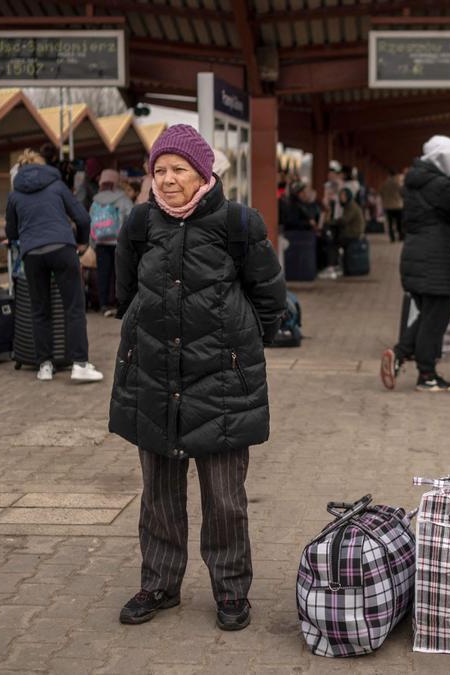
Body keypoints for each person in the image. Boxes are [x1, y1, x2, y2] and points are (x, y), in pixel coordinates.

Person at [110, 124, 286, 632]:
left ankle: (231, 592)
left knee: (225, 499)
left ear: (202, 174)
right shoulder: (140, 224)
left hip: (222, 382)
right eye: (158, 170)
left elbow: (269, 297)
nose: (166, 180)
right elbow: (124, 295)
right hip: (155, 377)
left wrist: (240, 347)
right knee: (159, 495)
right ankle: (159, 584)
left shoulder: (237, 223)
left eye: (177, 170)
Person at [4, 149, 104, 383]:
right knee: (74, 308)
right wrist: (80, 241)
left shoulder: (15, 195)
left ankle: (44, 366)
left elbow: (11, 231)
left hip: (32, 255)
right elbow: (82, 218)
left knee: (40, 310)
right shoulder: (57, 186)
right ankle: (79, 364)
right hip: (61, 249)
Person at [379, 135, 450, 393]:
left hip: (415, 258)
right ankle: (426, 375)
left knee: (427, 316)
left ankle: (398, 354)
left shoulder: (416, 182)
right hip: (435, 259)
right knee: (435, 320)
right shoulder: (440, 184)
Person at [90, 168, 133, 317]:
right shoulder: (122, 198)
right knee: (119, 274)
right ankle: (118, 302)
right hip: (118, 242)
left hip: (101, 242)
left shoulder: (96, 200)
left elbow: (91, 222)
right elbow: (131, 215)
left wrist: (92, 244)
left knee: (103, 274)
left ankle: (103, 304)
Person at [379, 170, 404, 243]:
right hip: (398, 206)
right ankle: (400, 236)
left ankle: (392, 238)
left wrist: (385, 199)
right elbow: (402, 192)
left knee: (390, 223)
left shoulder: (385, 183)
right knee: (399, 223)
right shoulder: (398, 183)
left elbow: (381, 192)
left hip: (388, 206)